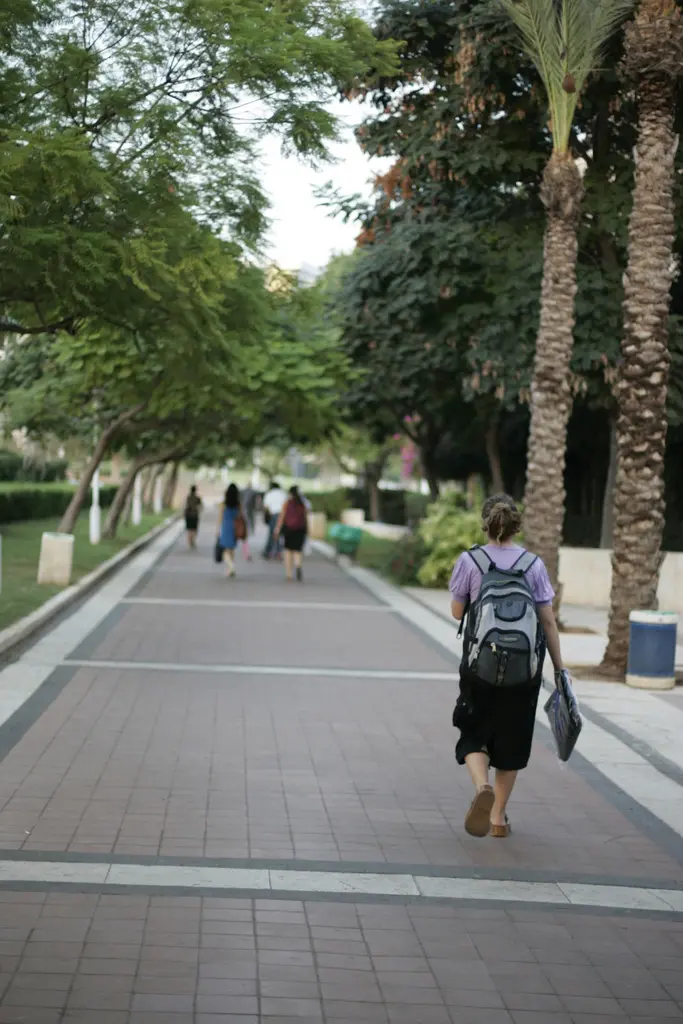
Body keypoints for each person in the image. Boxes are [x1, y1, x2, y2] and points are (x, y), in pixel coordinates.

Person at [449, 494, 566, 839]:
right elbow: (547, 622)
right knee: (512, 740)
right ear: (517, 526)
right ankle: (498, 818)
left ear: (485, 524)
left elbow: (458, 613)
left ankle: (481, 785)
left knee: (473, 732)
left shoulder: (470, 561)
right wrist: (559, 670)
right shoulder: (533, 565)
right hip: (524, 671)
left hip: (479, 667)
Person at [275, 485, 308, 582]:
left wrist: (277, 529)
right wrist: (307, 530)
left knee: (288, 551)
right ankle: (298, 565)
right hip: (301, 529)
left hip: (289, 530)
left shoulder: (287, 503)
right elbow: (305, 518)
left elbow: (282, 517)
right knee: (298, 550)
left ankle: (289, 573)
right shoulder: (302, 504)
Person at [216, 483, 243, 578]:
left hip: (226, 527)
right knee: (231, 549)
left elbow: (220, 517)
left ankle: (231, 566)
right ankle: (230, 569)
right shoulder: (238, 504)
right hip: (235, 527)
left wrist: (217, 530)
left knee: (224, 551)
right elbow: (240, 516)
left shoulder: (224, 504)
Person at [262, 481, 286, 559]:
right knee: (280, 534)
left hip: (273, 515)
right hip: (283, 515)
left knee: (271, 534)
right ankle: (278, 552)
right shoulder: (283, 493)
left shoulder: (269, 494)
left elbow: (266, 507)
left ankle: (267, 552)